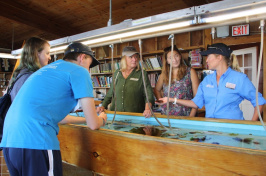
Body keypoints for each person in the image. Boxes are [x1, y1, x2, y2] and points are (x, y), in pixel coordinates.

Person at [0, 42, 107, 176]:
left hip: (10, 143)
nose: (89, 70)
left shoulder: (46, 70)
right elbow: (93, 124)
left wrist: (85, 119)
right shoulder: (80, 71)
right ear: (82, 58)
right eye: (89, 65)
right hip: (36, 142)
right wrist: (101, 119)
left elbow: (58, 118)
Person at [157, 43, 266, 120]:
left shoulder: (239, 78)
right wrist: (172, 99)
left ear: (219, 57)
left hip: (232, 129)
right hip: (210, 128)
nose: (207, 60)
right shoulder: (207, 80)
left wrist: (251, 125)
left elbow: (259, 102)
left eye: (209, 57)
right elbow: (196, 103)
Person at [96, 46, 155, 118]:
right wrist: (103, 106)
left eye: (136, 57)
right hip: (116, 115)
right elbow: (110, 93)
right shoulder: (117, 73)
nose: (134, 59)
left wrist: (147, 109)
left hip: (135, 116)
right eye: (131, 57)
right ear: (124, 58)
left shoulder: (142, 74)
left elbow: (148, 94)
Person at [154, 45, 199, 116]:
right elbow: (157, 89)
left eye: (176, 56)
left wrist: (191, 117)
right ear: (167, 61)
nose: (174, 60)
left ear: (180, 56)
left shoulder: (190, 72)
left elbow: (197, 98)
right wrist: (161, 103)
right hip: (167, 115)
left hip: (186, 114)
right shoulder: (164, 74)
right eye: (170, 58)